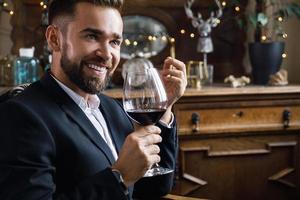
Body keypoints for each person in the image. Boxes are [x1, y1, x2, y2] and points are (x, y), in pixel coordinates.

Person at [0, 0, 187, 199]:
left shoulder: (113, 108)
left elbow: (154, 188)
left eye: (114, 42)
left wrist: (165, 106)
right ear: (54, 38)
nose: (107, 54)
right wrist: (120, 176)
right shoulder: (20, 116)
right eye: (92, 36)